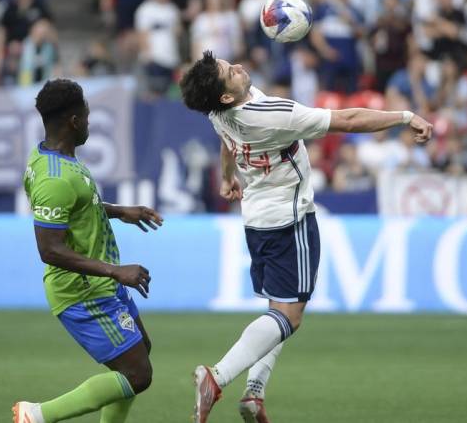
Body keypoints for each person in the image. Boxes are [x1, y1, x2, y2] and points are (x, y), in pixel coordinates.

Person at [179, 51, 432, 423]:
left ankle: (255, 393)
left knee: (277, 309)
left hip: (257, 220)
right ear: (227, 95)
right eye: (227, 72)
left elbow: (227, 141)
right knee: (290, 317)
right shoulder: (274, 114)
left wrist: (228, 174)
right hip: (289, 220)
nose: (236, 66)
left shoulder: (218, 110)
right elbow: (348, 118)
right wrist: (406, 117)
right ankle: (216, 378)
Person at [13, 79, 164, 423]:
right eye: (87, 115)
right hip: (82, 291)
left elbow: (80, 207)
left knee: (139, 354)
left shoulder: (53, 157)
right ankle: (37, 415)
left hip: (100, 282)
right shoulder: (54, 179)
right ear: (74, 121)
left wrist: (119, 210)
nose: (90, 122)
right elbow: (49, 249)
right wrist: (116, 270)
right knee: (137, 375)